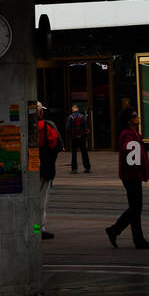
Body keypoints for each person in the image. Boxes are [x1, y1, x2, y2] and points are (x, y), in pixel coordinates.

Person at [106, 107, 149, 250]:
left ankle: (127, 235)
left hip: (132, 176)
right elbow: (131, 157)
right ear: (129, 121)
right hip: (132, 177)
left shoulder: (132, 134)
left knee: (135, 208)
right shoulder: (128, 136)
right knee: (136, 208)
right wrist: (138, 173)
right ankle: (120, 232)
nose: (138, 117)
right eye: (135, 116)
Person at [37, 102, 62, 240]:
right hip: (45, 168)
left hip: (31, 168)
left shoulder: (25, 128)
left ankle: (33, 230)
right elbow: (55, 144)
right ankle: (38, 229)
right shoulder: (46, 127)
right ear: (40, 113)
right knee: (41, 201)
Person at [66, 104, 91, 173]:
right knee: (84, 152)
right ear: (77, 109)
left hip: (74, 137)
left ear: (73, 109)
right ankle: (87, 167)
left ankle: (74, 169)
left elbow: (68, 127)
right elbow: (86, 127)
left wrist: (70, 135)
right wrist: (85, 135)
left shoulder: (70, 117)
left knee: (74, 153)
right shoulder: (82, 116)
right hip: (82, 137)